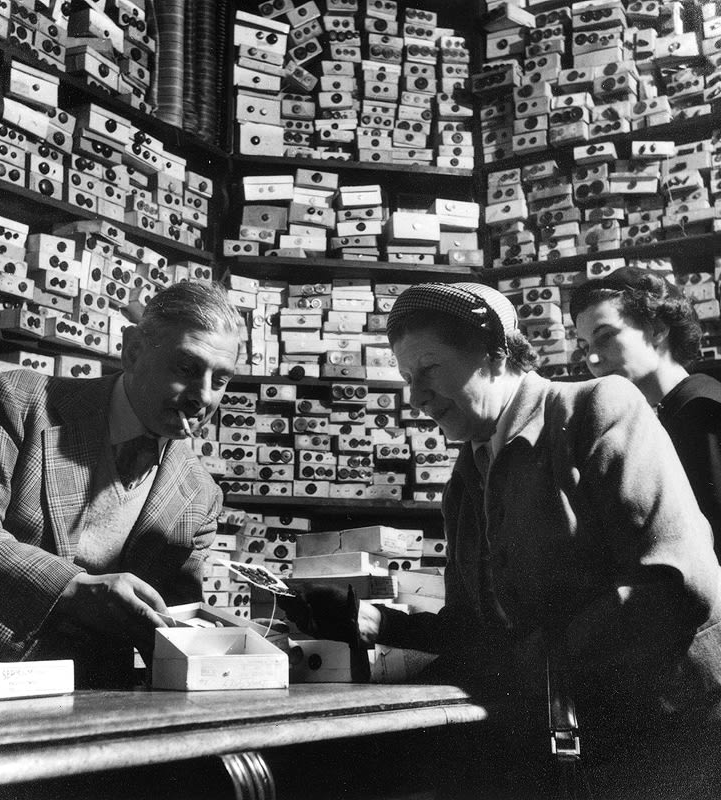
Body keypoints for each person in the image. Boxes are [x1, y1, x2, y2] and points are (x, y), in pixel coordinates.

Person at [281, 282, 721, 799]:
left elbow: (677, 583)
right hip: (566, 734)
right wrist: (370, 621)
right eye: (406, 379)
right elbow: (476, 630)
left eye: (429, 369)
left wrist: (532, 659)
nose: (416, 396)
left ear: (494, 354)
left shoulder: (596, 407)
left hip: (668, 731)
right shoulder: (467, 477)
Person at [0, 280, 241, 688]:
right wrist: (75, 587)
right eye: (186, 368)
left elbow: (175, 624)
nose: (204, 397)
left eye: (222, 379)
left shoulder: (201, 496)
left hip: (91, 703)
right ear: (133, 350)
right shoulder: (21, 402)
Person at [570, 266, 721, 554]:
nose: (591, 358)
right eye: (584, 345)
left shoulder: (701, 410)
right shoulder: (663, 413)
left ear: (657, 329)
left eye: (605, 336)